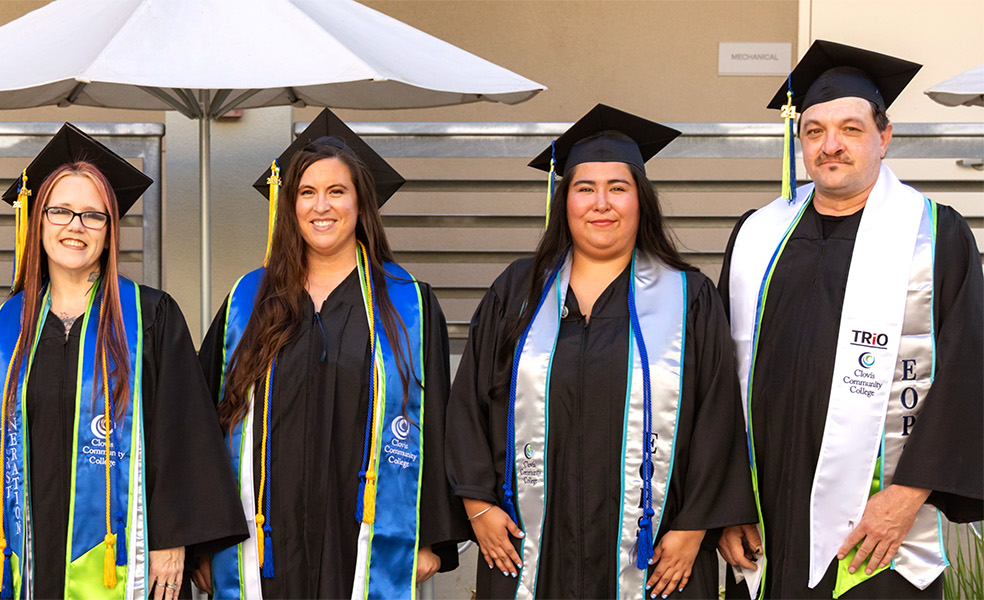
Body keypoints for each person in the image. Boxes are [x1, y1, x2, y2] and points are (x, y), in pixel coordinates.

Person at [446, 104, 756, 599]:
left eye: (618, 188)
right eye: (585, 188)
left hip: (657, 554)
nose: (601, 203)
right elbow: (467, 405)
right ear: (563, 200)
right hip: (530, 549)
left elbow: (718, 416)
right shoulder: (518, 292)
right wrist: (478, 507)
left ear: (641, 201)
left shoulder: (687, 297)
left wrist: (695, 526)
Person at [718, 40, 982, 599]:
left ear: (884, 138)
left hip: (877, 527)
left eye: (851, 129)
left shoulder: (935, 235)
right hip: (766, 519)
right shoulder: (756, 235)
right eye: (814, 131)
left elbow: (968, 373)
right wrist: (727, 503)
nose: (830, 146)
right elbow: (716, 380)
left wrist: (908, 495)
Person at [196, 109, 464, 599]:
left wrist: (431, 537)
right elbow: (202, 422)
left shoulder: (409, 303)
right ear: (290, 206)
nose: (322, 206)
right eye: (307, 192)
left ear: (361, 204)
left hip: (360, 538)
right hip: (265, 543)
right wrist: (204, 542)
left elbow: (439, 419)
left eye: (337, 192)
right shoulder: (247, 301)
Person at [0, 124, 244, 600]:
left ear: (110, 230)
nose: (74, 226)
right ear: (37, 220)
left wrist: (172, 539)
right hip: (27, 559)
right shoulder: (5, 328)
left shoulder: (150, 317)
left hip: (133, 561)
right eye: (59, 211)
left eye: (92, 216)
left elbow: (183, 434)